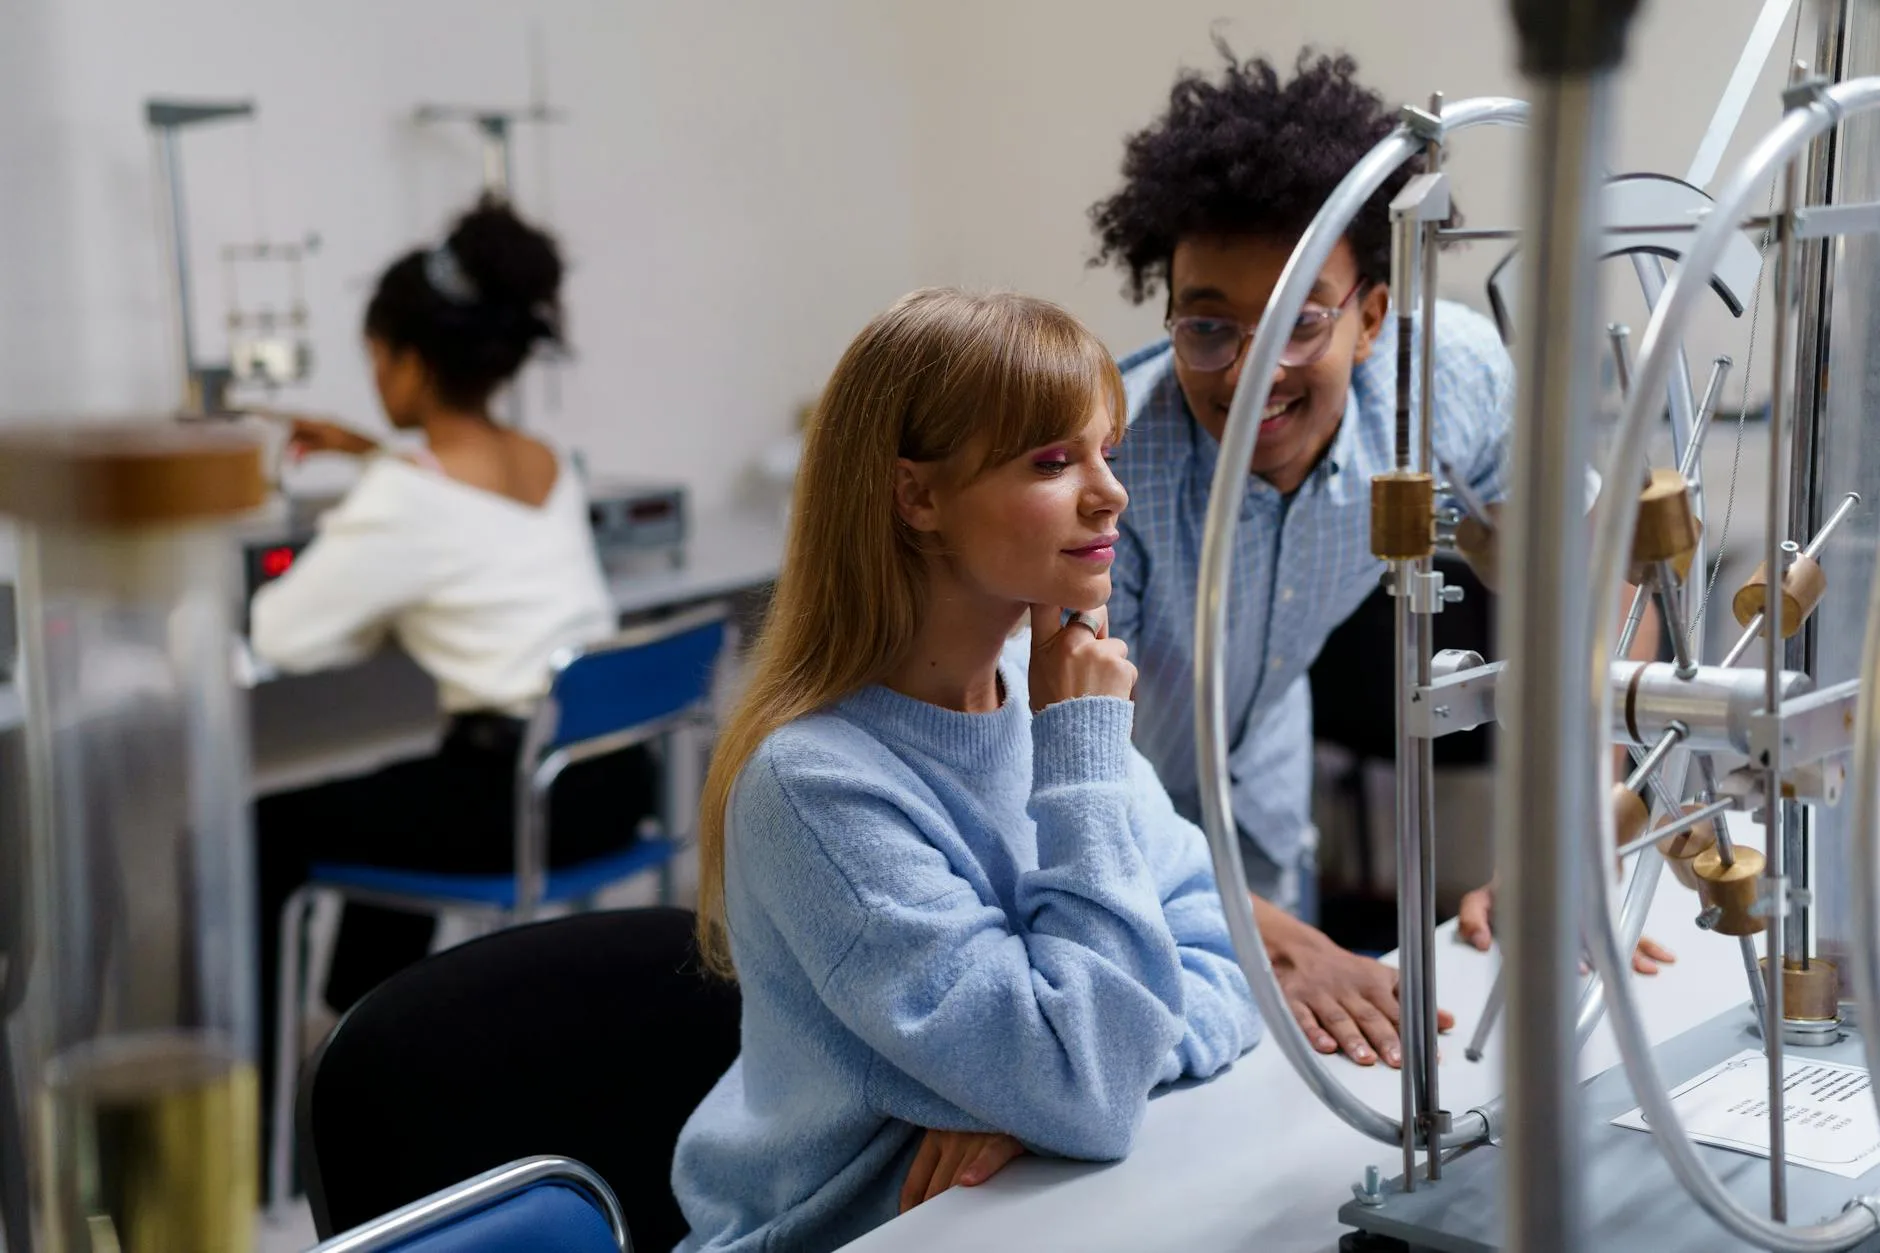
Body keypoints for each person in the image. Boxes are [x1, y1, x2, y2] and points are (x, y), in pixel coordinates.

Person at [1088, 47, 1670, 1070]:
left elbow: (1595, 583)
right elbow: (1059, 767)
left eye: (1297, 321)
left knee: (1278, 1085)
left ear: (1369, 315)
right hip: (1092, 837)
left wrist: (1570, 836)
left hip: (1255, 792)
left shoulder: (1439, 382)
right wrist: (1267, 938)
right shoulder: (1112, 466)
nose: (1251, 368)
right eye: (1208, 326)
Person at [672, 288, 1259, 1253]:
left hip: (1018, 1211)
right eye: (1052, 461)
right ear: (919, 497)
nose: (1109, 492)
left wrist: (1042, 1092)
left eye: (1105, 450)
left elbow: (1221, 954)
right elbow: (1092, 1088)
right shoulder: (814, 784)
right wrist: (1067, 1081)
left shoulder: (1045, 692)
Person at [249, 199, 657, 1099]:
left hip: (513, 805)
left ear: (413, 362)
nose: (376, 381)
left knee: (270, 824)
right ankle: (360, 1026)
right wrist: (375, 458)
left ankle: (277, 1105)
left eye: (378, 361)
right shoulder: (546, 462)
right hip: (610, 782)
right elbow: (454, 501)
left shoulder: (404, 497)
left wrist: (375, 484)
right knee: (398, 785)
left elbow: (283, 633)